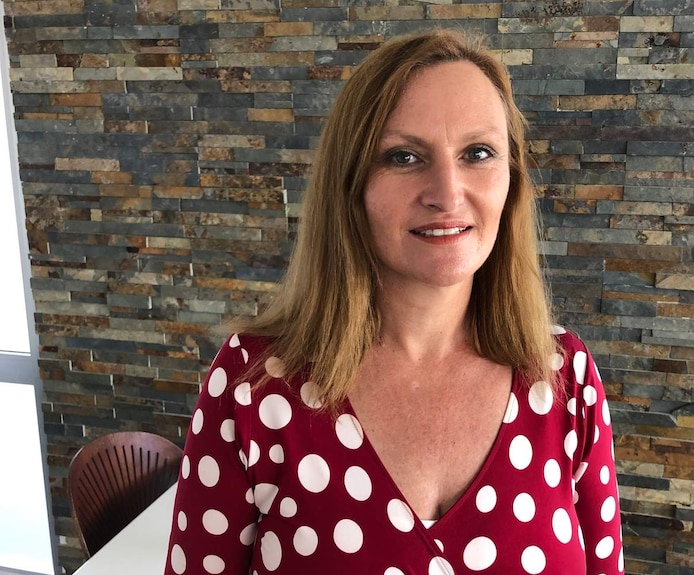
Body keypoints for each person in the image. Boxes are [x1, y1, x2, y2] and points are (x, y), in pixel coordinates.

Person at [164, 29, 623, 575]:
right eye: (404, 157)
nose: (448, 193)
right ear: (351, 185)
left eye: (478, 153)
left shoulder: (567, 381)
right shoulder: (252, 385)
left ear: (512, 180)